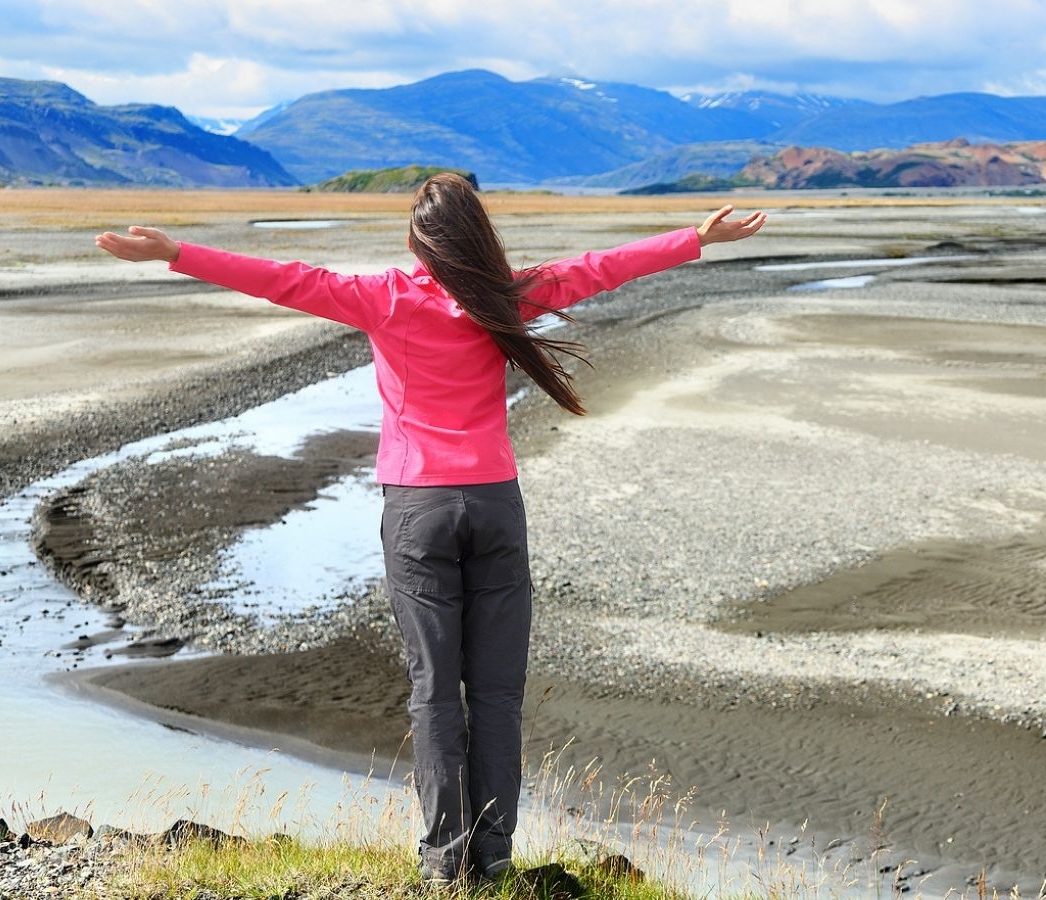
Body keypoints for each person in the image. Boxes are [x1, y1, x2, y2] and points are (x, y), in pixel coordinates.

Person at [94, 174, 766, 886]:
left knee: (436, 690)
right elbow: (598, 269)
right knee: (498, 693)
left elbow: (284, 281)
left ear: (418, 240)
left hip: (418, 508)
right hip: (494, 505)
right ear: (475, 233)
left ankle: (447, 863)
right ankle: (494, 852)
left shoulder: (385, 296)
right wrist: (693, 239)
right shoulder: (505, 293)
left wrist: (177, 252)